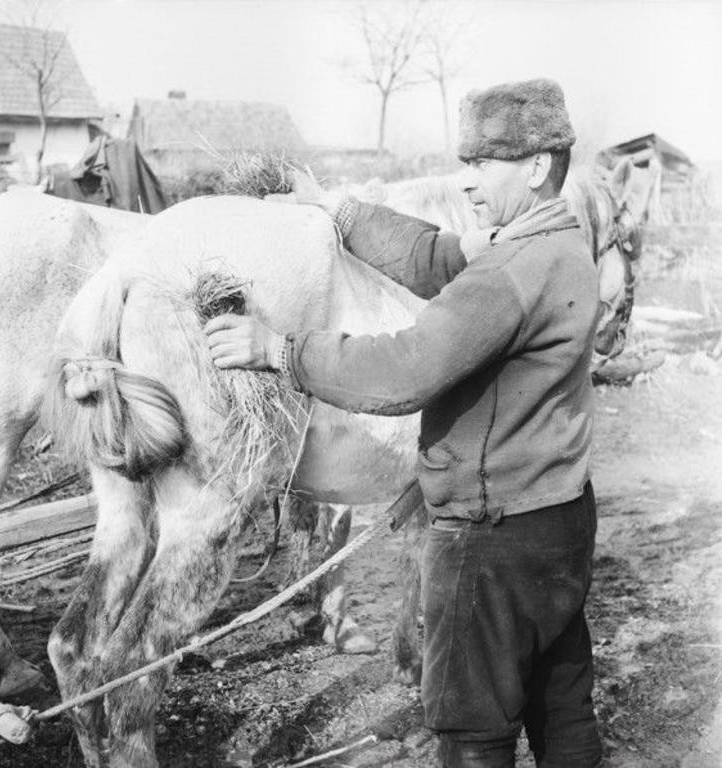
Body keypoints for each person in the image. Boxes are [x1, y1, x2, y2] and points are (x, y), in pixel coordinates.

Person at [206, 78, 603, 768]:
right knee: (562, 706)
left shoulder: (510, 275)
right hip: (559, 522)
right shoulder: (558, 245)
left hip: (490, 541)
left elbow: (404, 372)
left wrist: (279, 351)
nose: (467, 182)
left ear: (537, 167)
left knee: (472, 728)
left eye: (484, 164)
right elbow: (436, 258)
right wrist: (336, 208)